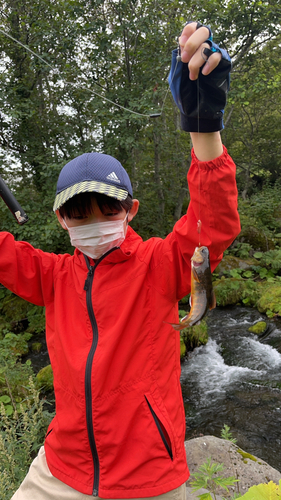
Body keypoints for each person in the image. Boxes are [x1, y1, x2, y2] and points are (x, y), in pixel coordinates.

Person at [7, 21, 240, 500]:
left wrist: (203, 128)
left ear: (130, 211)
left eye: (107, 209)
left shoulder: (159, 264)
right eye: (78, 213)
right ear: (60, 220)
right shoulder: (49, 275)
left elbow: (212, 224)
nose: (93, 222)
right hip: (59, 468)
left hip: (149, 474)